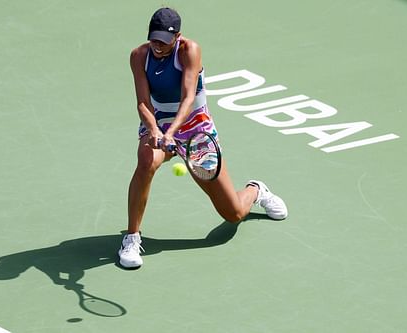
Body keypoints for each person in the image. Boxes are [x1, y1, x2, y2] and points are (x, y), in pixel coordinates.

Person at [119, 7, 288, 268]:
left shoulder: (190, 51)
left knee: (233, 213)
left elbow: (188, 98)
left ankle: (256, 191)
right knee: (146, 159)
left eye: (164, 41)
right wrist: (154, 129)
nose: (158, 46)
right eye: (154, 39)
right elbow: (143, 102)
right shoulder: (139, 56)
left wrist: (173, 133)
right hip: (160, 122)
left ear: (177, 37)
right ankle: (132, 237)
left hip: (195, 128)